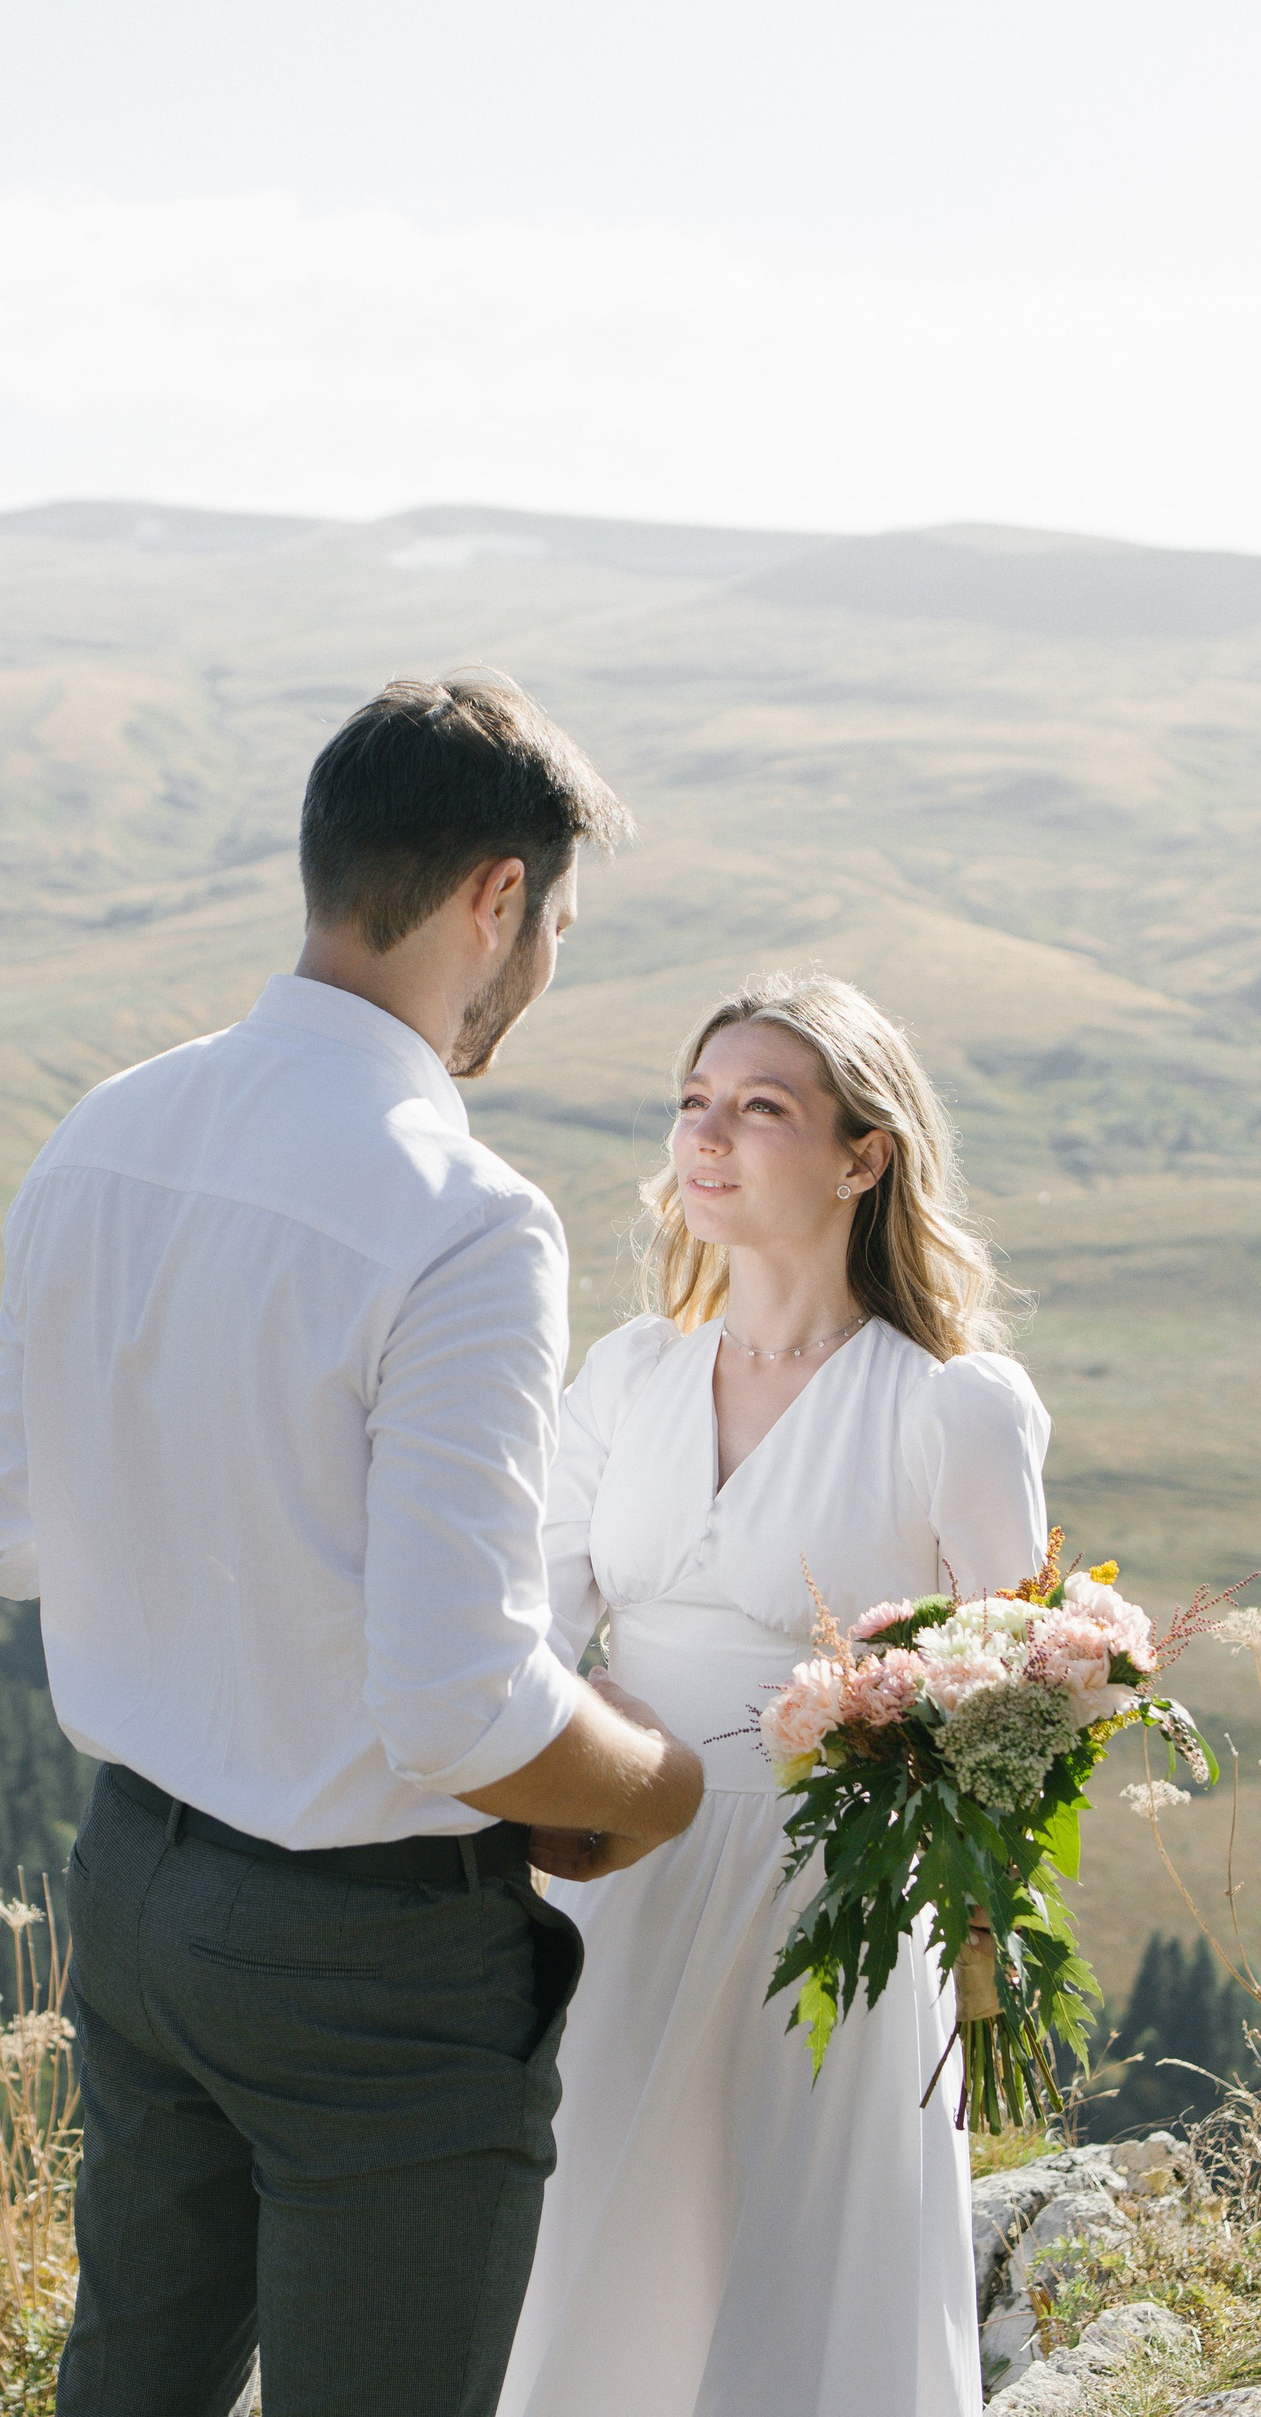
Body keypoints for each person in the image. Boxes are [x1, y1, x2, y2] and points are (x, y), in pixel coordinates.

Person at [0, 673, 705, 2417]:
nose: (543, 972)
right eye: (558, 925)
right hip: (369, 1964)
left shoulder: (103, 1132)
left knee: (128, 2390)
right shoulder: (465, 1222)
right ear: (495, 900)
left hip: (137, 1886)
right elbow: (457, 1702)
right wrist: (655, 1783)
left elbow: (14, 1539)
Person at [498, 972, 1051, 2417]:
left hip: (838, 1900)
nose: (708, 1139)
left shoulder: (953, 1403)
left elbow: (1033, 1703)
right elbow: (531, 1628)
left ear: (864, 1155)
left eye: (760, 1108)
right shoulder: (626, 1376)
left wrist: (959, 1895)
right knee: (591, 2249)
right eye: (693, 1104)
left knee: (805, 2274)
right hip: (612, 1872)